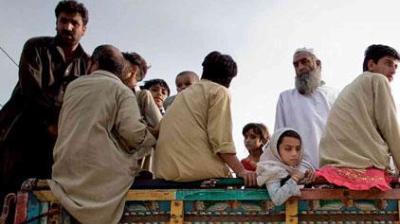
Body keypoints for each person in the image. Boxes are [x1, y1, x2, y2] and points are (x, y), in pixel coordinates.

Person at [48, 45, 156, 224]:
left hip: (63, 171)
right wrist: (153, 138)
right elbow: (134, 135)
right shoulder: (121, 91)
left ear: (92, 63)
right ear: (122, 70)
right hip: (102, 177)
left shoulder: (73, 86)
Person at [0, 0, 90, 192]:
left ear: (84, 29)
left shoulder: (87, 64)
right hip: (23, 134)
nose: (67, 27)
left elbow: (84, 105)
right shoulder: (36, 47)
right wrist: (51, 124)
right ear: (56, 23)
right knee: (11, 193)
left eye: (74, 23)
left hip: (59, 145)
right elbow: (31, 91)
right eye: (63, 21)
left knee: (44, 200)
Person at [153, 51, 257, 186]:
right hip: (196, 173)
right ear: (229, 79)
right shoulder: (219, 91)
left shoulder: (180, 97)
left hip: (165, 174)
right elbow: (221, 141)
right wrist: (241, 171)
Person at [318, 44, 400, 191]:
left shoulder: (351, 87)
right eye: (388, 63)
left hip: (331, 163)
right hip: (362, 164)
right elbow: (391, 127)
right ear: (371, 64)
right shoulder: (378, 80)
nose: (393, 70)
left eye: (395, 66)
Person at [274, 48, 337, 168]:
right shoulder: (285, 98)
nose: (300, 67)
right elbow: (279, 138)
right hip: (298, 175)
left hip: (330, 172)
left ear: (317, 64)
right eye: (296, 65)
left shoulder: (335, 95)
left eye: (305, 62)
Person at [257, 128, 315, 206]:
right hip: (278, 217)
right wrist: (295, 178)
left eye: (298, 149)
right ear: (276, 149)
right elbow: (277, 199)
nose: (294, 153)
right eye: (288, 149)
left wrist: (309, 178)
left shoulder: (303, 166)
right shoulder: (271, 169)